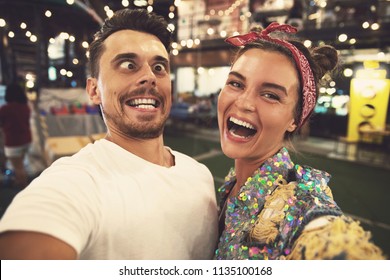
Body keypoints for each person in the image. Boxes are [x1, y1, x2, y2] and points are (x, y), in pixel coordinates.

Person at [0, 8, 218, 260]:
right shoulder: (76, 182)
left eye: (159, 67)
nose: (149, 77)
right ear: (94, 90)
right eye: (128, 65)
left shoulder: (200, 175)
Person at [214, 22, 385, 260]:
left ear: (295, 120)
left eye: (270, 95)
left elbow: (328, 241)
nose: (243, 102)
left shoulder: (301, 204)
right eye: (236, 83)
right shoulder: (231, 185)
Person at [0, 82, 32, 188]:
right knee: (20, 164)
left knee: (18, 167)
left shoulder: (5, 109)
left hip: (13, 141)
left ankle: (23, 185)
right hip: (26, 139)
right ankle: (21, 181)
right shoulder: (25, 107)